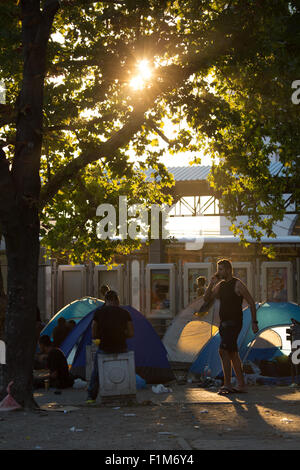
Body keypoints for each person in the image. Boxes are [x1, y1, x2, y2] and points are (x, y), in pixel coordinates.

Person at [203, 259, 258, 395]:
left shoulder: (237, 284)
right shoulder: (220, 285)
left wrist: (254, 322)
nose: (219, 272)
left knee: (223, 351)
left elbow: (251, 302)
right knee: (232, 353)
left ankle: (227, 384)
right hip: (224, 324)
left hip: (234, 323)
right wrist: (211, 283)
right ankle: (241, 385)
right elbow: (206, 299)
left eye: (221, 269)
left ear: (228, 270)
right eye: (218, 269)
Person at [86, 290, 134, 403]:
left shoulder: (98, 312)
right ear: (117, 300)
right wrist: (122, 335)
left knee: (96, 372)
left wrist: (99, 337)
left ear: (106, 300)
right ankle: (127, 393)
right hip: (121, 347)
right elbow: (131, 333)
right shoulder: (125, 313)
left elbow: (93, 331)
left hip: (104, 347)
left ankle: (91, 397)